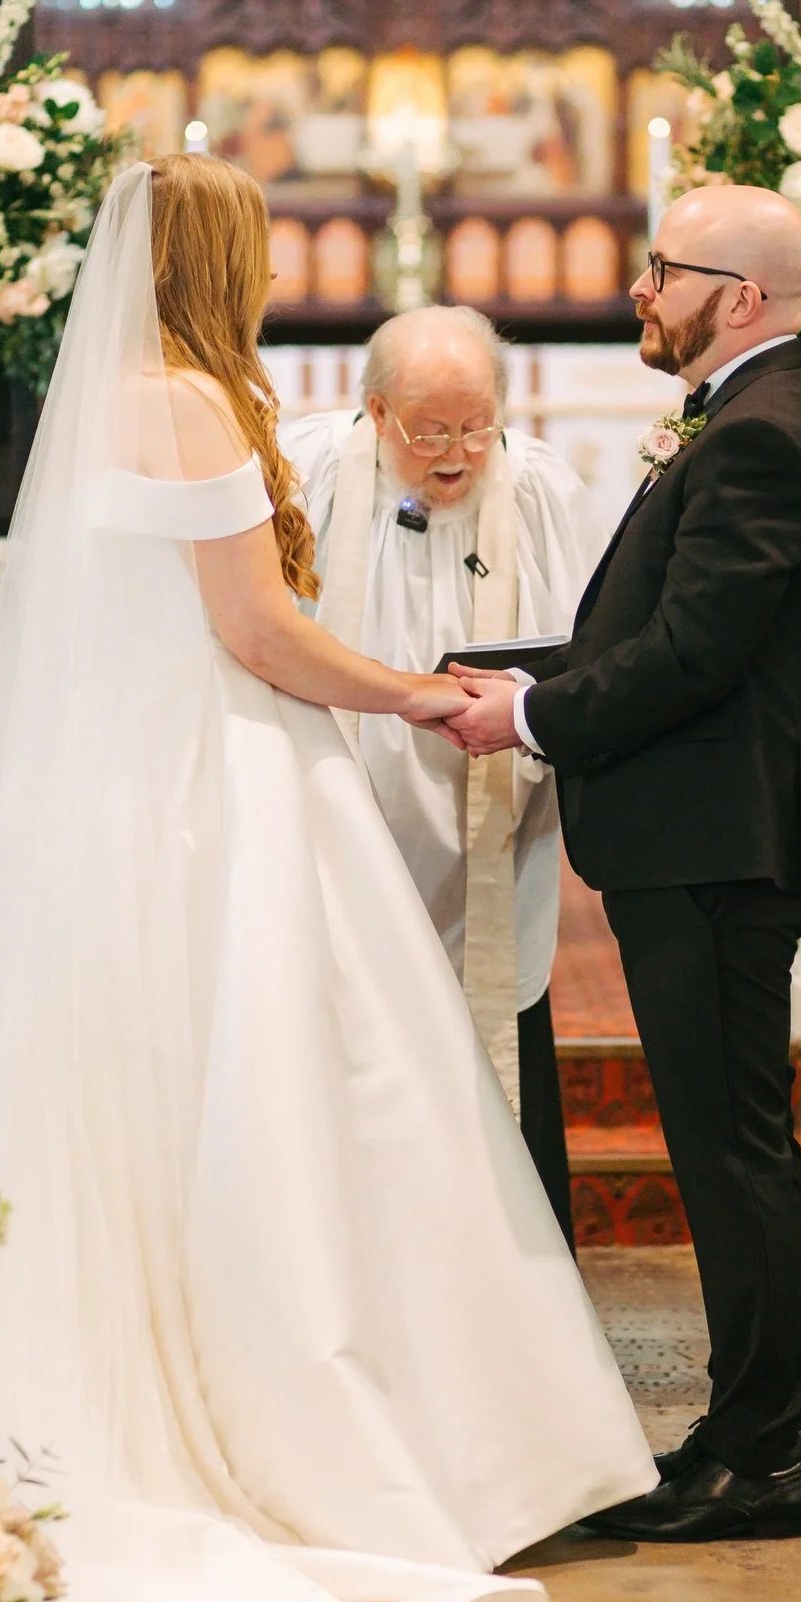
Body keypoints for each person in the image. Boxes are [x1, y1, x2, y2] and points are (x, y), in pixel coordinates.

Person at [0, 157, 657, 1602]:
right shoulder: (190, 400)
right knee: (305, 1097)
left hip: (128, 790)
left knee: (150, 1107)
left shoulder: (121, 397)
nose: (270, 278)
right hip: (224, 784)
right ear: (215, 259)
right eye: (255, 254)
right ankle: (319, 1424)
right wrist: (418, 693)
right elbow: (254, 632)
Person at [447, 183, 801, 1544]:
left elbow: (694, 660)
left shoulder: (762, 438)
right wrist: (502, 674)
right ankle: (743, 1429)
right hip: (709, 832)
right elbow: (655, 630)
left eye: (662, 272)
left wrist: (521, 714)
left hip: (721, 839)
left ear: (738, 297)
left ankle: (769, 1456)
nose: (639, 291)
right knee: (717, 1143)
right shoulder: (751, 421)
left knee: (733, 1151)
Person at [285, 307, 606, 1249]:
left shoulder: (539, 486)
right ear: (376, 413)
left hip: (493, 822)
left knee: (489, 1032)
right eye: (430, 430)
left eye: (478, 424)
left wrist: (525, 717)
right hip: (336, 817)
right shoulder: (308, 474)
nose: (459, 453)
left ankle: (507, 1269)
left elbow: (590, 647)